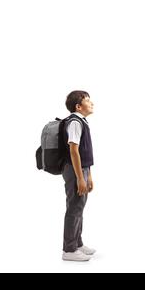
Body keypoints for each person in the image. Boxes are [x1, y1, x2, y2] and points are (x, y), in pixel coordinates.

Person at [61, 90, 96, 261]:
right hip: (74, 170)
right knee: (74, 208)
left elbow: (84, 152)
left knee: (79, 207)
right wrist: (80, 178)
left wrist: (88, 175)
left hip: (81, 170)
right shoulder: (75, 122)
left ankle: (78, 243)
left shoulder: (82, 121)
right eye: (88, 101)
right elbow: (73, 150)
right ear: (78, 106)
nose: (92, 103)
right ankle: (69, 250)